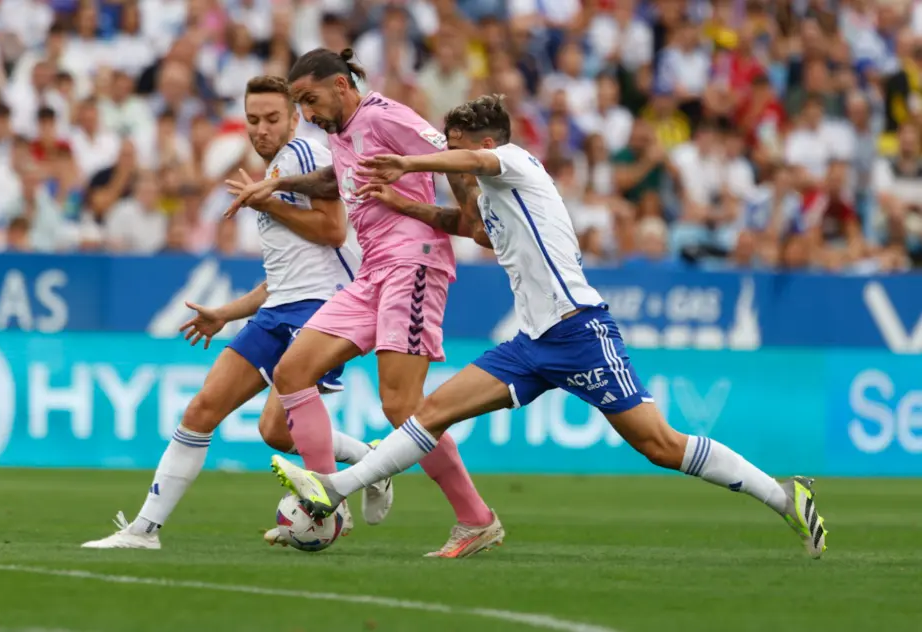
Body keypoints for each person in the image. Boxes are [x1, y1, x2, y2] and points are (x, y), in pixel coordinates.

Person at [270, 95, 828, 560]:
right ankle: (340, 489)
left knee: (659, 444)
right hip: (530, 344)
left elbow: (475, 165)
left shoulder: (513, 160)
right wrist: (404, 203)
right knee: (430, 412)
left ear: (484, 143)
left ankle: (784, 496)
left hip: (581, 331)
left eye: (455, 143)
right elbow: (478, 232)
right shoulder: (494, 193)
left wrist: (410, 165)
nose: (447, 152)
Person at [81, 75, 389, 550]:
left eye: (271, 118)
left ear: (293, 117)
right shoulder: (272, 173)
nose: (261, 129)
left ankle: (335, 501)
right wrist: (227, 312)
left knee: (275, 427)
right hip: (279, 308)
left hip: (323, 310)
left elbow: (332, 230)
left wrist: (268, 199)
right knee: (210, 410)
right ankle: (144, 531)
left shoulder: (305, 157)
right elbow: (282, 275)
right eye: (252, 120)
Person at [226, 49, 502, 558]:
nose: (306, 114)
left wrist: (470, 216)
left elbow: (452, 155)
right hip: (373, 273)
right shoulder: (342, 130)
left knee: (401, 405)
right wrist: (280, 184)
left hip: (413, 265)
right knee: (291, 373)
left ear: (340, 85)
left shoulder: (384, 115)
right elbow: (337, 180)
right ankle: (327, 500)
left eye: (309, 100)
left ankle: (476, 518)